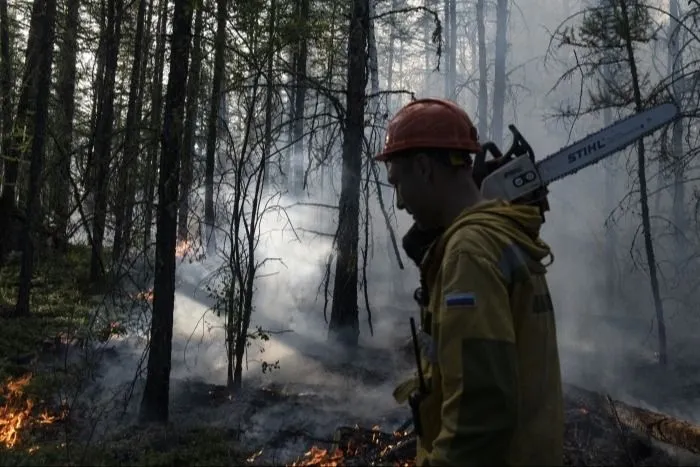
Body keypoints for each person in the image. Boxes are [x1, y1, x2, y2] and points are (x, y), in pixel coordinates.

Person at [378, 98, 564, 466]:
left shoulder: (469, 253)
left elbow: (481, 414)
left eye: (398, 184)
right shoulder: (500, 234)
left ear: (423, 168)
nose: (399, 204)